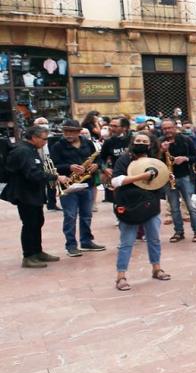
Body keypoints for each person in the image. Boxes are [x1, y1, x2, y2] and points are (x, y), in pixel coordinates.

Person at [3, 126, 69, 267]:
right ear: (34, 138)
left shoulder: (31, 149)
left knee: (38, 222)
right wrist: (55, 177)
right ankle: (28, 256)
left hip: (33, 193)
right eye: (44, 139)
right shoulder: (23, 151)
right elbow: (32, 173)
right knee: (30, 224)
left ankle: (37, 251)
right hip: (25, 194)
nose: (46, 142)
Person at [111, 132, 169, 290]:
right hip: (129, 206)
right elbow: (116, 181)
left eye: (144, 141)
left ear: (149, 144)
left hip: (151, 206)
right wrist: (141, 176)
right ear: (132, 142)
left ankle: (157, 268)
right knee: (127, 243)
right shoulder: (124, 160)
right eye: (138, 140)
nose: (141, 143)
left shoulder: (154, 161)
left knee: (154, 239)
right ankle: (120, 276)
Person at [49, 119, 106, 256]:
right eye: (65, 131)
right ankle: (71, 245)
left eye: (71, 131)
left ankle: (86, 241)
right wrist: (69, 167)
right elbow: (53, 166)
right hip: (69, 185)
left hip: (87, 183)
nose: (68, 134)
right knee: (70, 216)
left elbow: (97, 158)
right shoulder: (57, 146)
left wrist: (96, 165)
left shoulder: (87, 143)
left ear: (78, 132)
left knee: (87, 215)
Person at [157, 118, 196, 243]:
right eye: (165, 128)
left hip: (185, 176)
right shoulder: (159, 142)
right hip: (168, 177)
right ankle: (178, 232)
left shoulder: (185, 140)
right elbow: (153, 160)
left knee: (191, 206)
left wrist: (185, 158)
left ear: (175, 128)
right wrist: (161, 151)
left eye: (169, 128)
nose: (167, 131)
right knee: (174, 208)